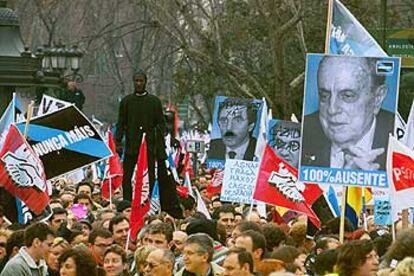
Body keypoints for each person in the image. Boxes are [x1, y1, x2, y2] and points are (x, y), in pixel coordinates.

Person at [301, 56, 394, 170]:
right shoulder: (302, 133)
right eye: (324, 96)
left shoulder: (402, 139)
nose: (332, 109)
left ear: (377, 98)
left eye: (347, 96)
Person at [115, 70, 167, 201]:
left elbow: (161, 123)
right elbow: (120, 122)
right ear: (133, 82)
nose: (138, 83)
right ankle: (127, 200)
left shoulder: (154, 102)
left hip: (149, 145)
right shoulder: (126, 102)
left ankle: (148, 198)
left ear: (145, 82)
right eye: (136, 81)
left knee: (149, 174)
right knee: (127, 175)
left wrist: (158, 142)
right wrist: (118, 141)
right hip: (131, 145)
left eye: (141, 81)